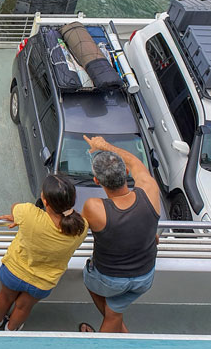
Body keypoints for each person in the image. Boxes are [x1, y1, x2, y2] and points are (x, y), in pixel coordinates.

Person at [79, 135, 160, 333]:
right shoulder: (149, 190)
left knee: (90, 281)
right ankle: (119, 326)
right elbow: (135, 162)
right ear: (125, 172)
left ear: (97, 181)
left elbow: (76, 230)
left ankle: (111, 325)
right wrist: (105, 146)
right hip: (144, 277)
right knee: (115, 309)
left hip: (109, 280)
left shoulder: (95, 207)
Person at [0, 174, 88, 332]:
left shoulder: (29, 213)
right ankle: (10, 331)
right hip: (42, 283)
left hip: (13, 271)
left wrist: (18, 218)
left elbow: (15, 207)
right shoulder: (81, 227)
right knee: (23, 307)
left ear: (45, 201)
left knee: (5, 297)